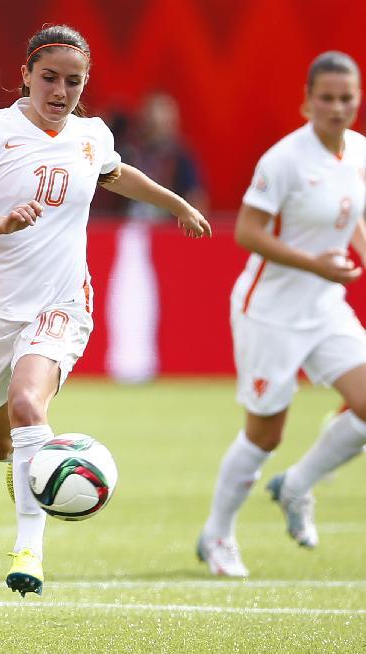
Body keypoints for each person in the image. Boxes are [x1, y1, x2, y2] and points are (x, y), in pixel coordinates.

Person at [0, 24, 211, 597]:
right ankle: (30, 472)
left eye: (73, 81)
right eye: (50, 78)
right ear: (25, 75)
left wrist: (178, 203)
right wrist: (1, 220)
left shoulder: (90, 135)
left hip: (61, 301)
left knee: (26, 404)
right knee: (1, 445)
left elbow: (117, 174)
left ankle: (28, 552)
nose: (60, 91)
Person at [198, 51, 366, 577]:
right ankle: (217, 534)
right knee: (266, 433)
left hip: (324, 308)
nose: (338, 108)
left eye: (347, 98)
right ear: (307, 101)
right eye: (327, 98)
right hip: (269, 312)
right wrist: (315, 263)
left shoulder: (359, 152)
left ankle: (296, 486)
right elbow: (248, 232)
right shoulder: (284, 160)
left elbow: (351, 217)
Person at [105, 93, 208, 383]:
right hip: (128, 231)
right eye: (153, 119)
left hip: (166, 233)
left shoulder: (181, 157)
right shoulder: (127, 153)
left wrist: (189, 216)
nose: (159, 126)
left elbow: (197, 195)